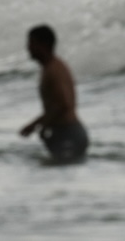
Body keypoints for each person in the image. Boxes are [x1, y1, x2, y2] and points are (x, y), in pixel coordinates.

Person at [20, 24, 89, 161]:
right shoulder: (51, 67)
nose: (28, 48)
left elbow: (63, 104)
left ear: (43, 45)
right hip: (65, 133)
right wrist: (38, 125)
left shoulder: (54, 70)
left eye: (31, 43)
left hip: (68, 133)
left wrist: (39, 125)